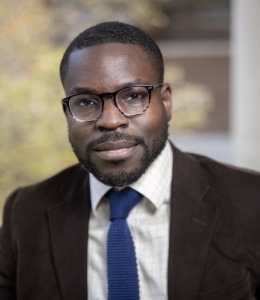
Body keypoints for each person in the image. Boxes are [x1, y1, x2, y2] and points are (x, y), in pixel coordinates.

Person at [1, 21, 260, 300]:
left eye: (134, 96)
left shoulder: (251, 202)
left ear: (166, 101)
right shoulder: (26, 212)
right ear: (67, 114)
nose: (111, 121)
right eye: (86, 102)